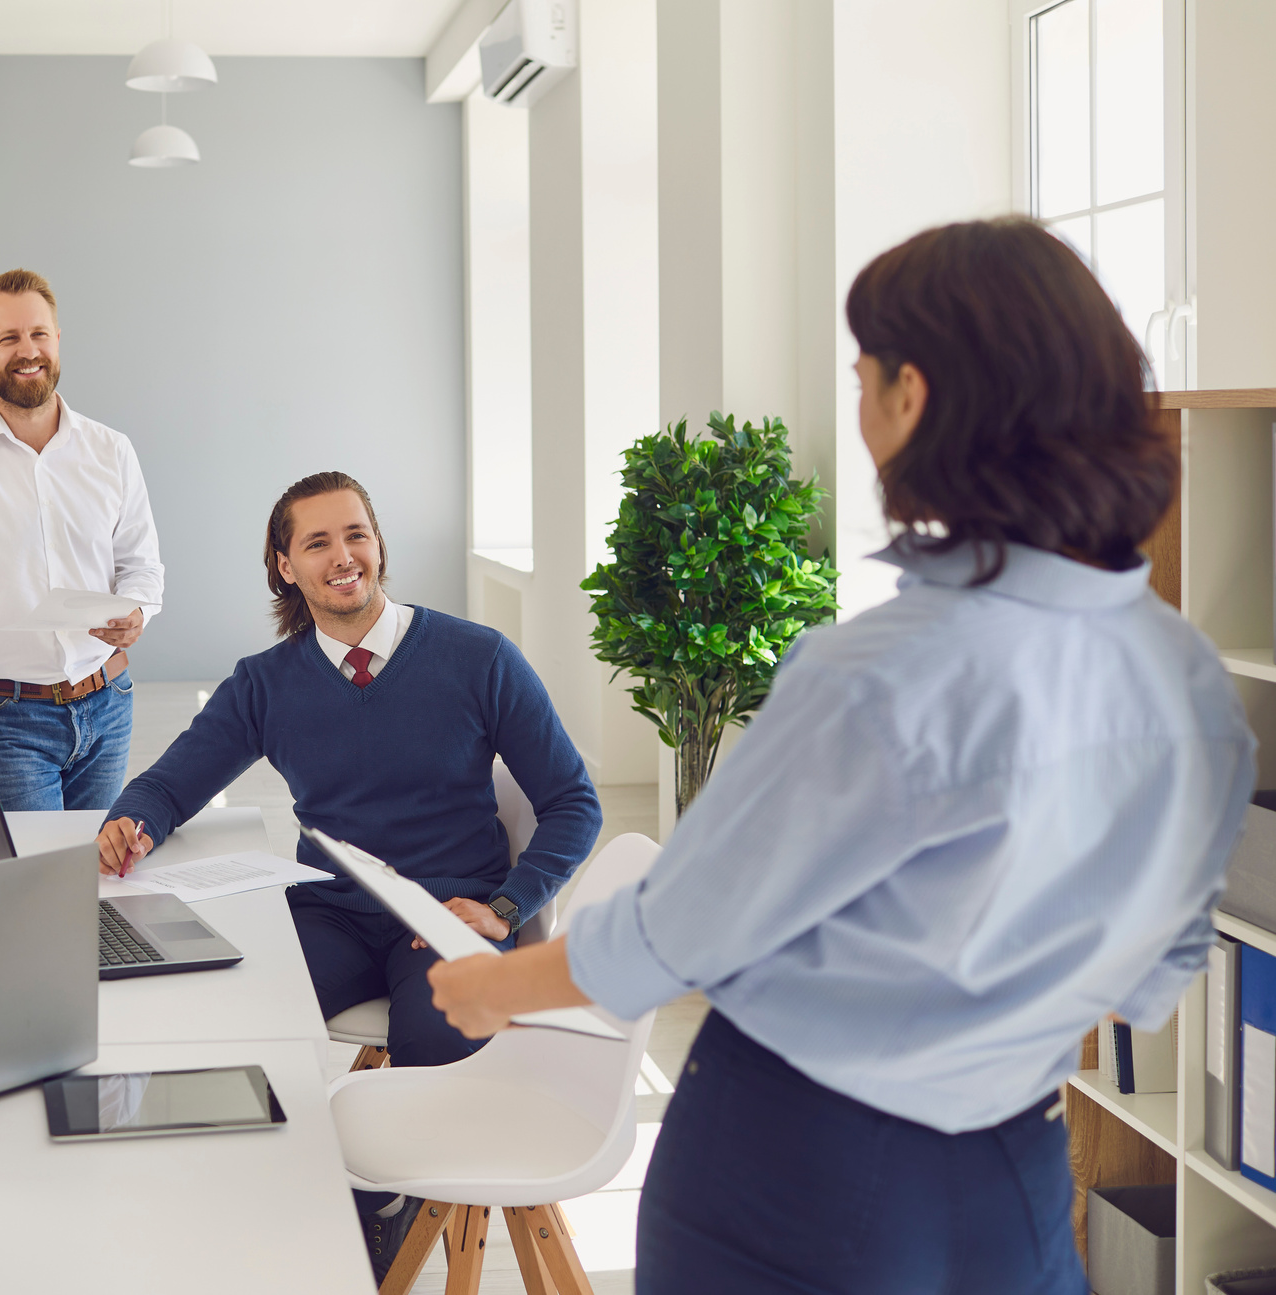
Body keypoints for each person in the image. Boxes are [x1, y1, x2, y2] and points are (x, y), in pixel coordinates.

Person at [425, 219, 1257, 1295]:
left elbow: (679, 930)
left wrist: (496, 987)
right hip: (1013, 1173)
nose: (859, 410)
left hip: (792, 1170)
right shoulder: (1190, 683)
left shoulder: (882, 669)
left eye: (862, 378)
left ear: (914, 396)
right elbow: (1153, 974)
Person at [96, 471, 601, 1280]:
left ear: (377, 543)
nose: (342, 557)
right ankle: (246, 1194)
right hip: (330, 910)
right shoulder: (265, 682)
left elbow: (573, 802)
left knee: (435, 1045)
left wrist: (506, 908)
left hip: (448, 914)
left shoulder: (479, 658)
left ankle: (381, 1207)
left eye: (355, 534)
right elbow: (170, 782)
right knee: (231, 1013)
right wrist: (132, 821)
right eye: (317, 542)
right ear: (284, 565)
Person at [0, 267, 164, 821]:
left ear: (58, 339)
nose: (29, 351)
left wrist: (138, 611)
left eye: (39, 333)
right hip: (2, 720)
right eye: (8, 338)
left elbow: (141, 564)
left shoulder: (111, 450)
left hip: (108, 702)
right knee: (36, 873)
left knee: (97, 866)